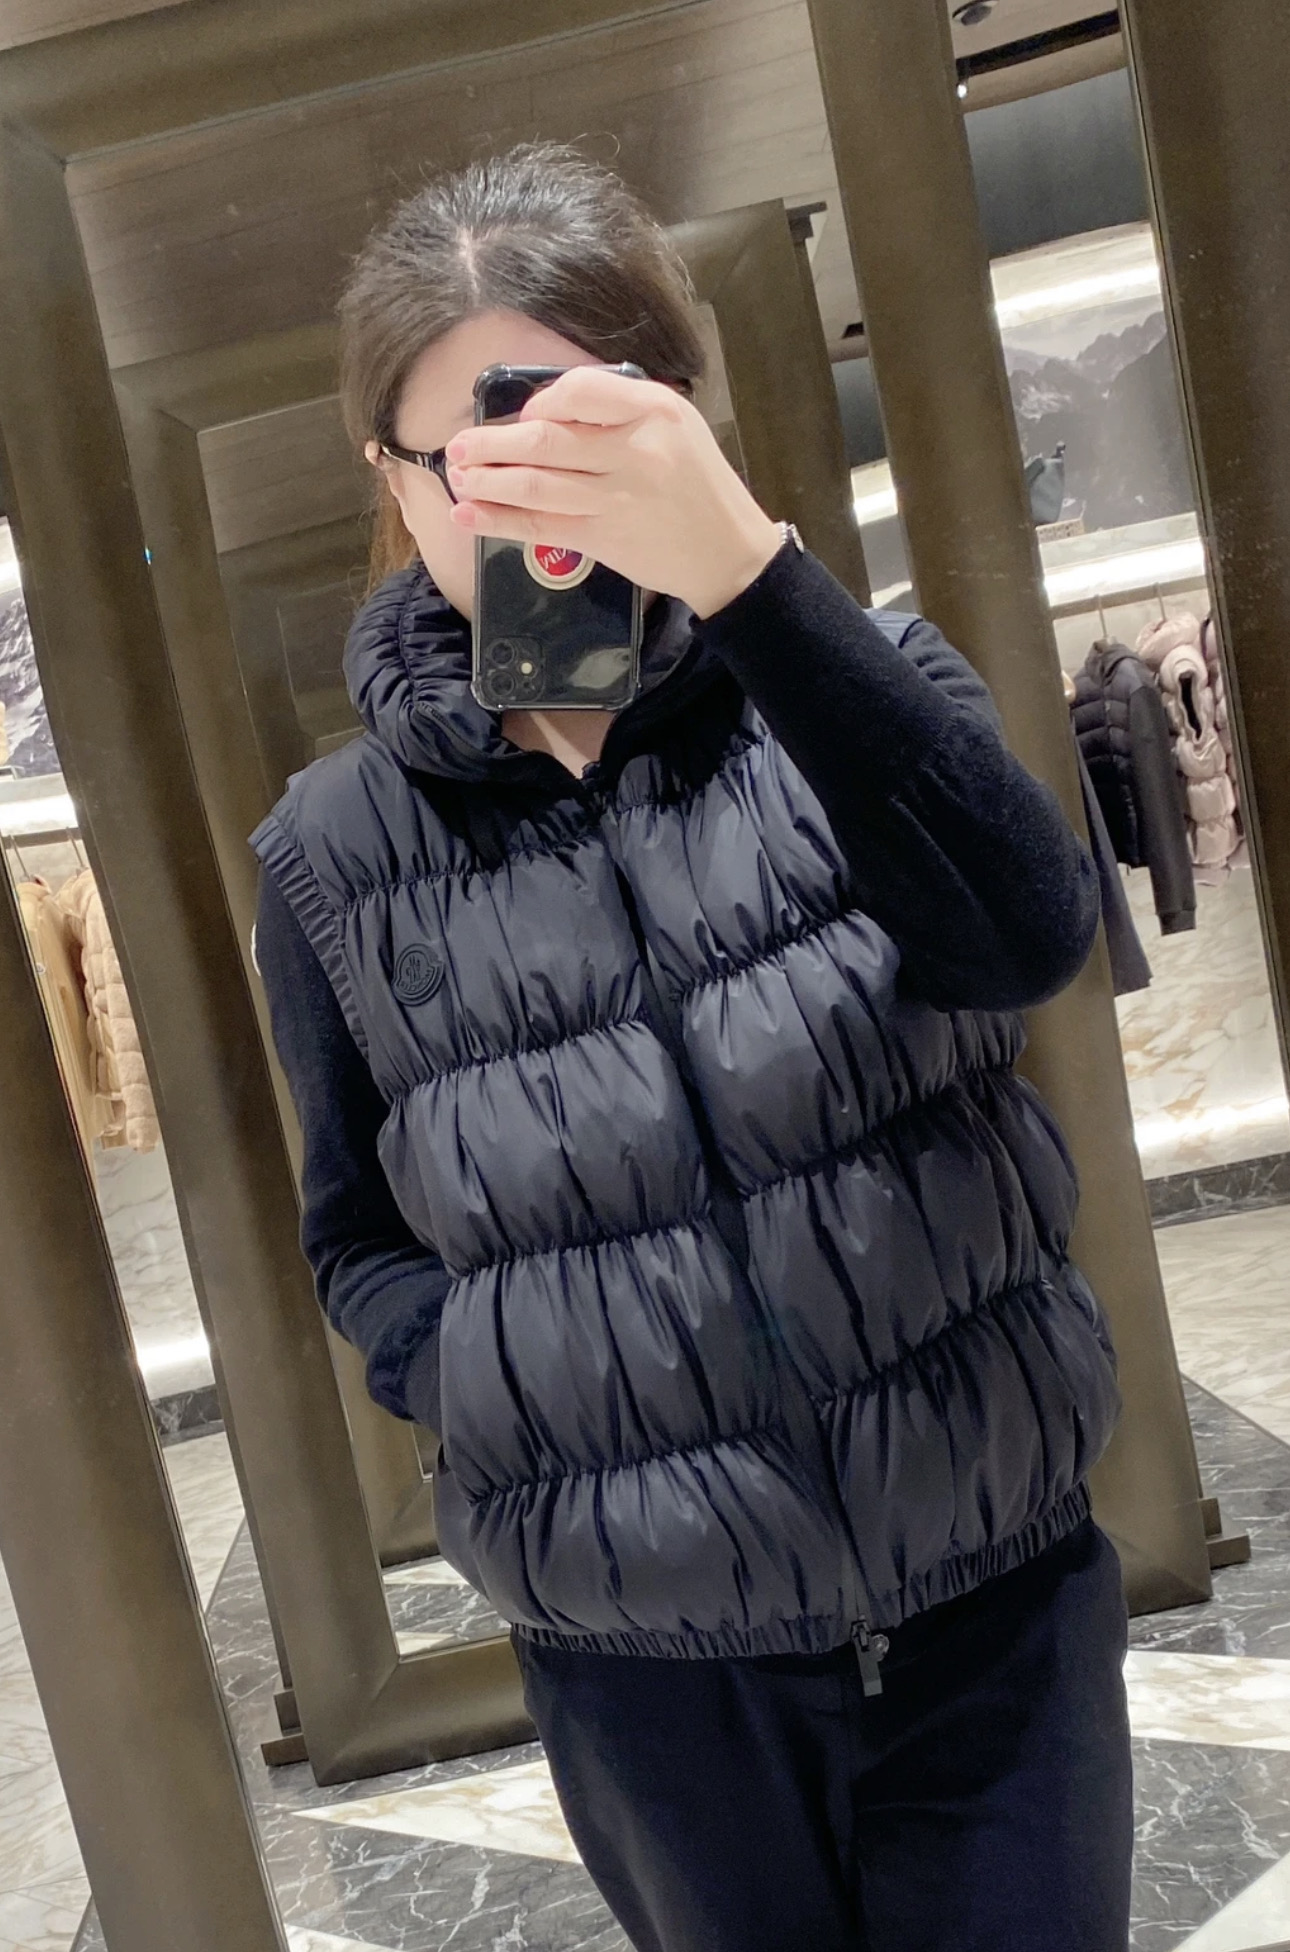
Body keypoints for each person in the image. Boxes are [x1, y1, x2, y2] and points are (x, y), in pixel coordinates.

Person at [252, 142, 1132, 1952]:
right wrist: (497, 1376)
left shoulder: (862, 688)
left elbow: (1029, 939)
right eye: (472, 449)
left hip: (988, 1594)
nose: (531, 488)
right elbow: (357, 1236)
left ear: (679, 413)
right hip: (648, 1674)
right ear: (389, 477)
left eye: (587, 418)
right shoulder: (332, 851)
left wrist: (746, 577)